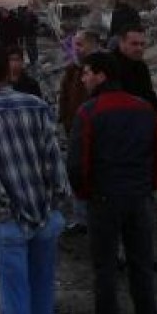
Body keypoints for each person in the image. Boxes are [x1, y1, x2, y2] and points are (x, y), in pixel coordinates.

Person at [0, 43, 68, 314]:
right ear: (9, 70)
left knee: (14, 300)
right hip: (44, 214)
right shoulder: (36, 105)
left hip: (9, 222)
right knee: (42, 293)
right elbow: (54, 160)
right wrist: (55, 205)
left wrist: (1, 214)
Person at [68, 51, 157, 314]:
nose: (83, 79)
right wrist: (150, 185)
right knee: (141, 266)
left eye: (87, 73)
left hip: (104, 199)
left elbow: (77, 164)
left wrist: (85, 193)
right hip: (139, 198)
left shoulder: (89, 111)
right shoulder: (143, 107)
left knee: (105, 269)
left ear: (101, 75)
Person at [57, 29, 101, 234]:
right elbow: (64, 96)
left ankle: (94, 216)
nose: (76, 48)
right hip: (74, 128)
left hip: (94, 130)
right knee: (76, 172)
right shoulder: (73, 69)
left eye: (80, 44)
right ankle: (81, 218)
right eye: (75, 44)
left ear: (92, 45)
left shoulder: (100, 70)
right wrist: (64, 119)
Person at [113, 24, 157, 116]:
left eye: (142, 44)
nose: (139, 48)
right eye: (134, 44)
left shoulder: (141, 66)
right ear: (121, 42)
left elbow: (149, 95)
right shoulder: (109, 67)